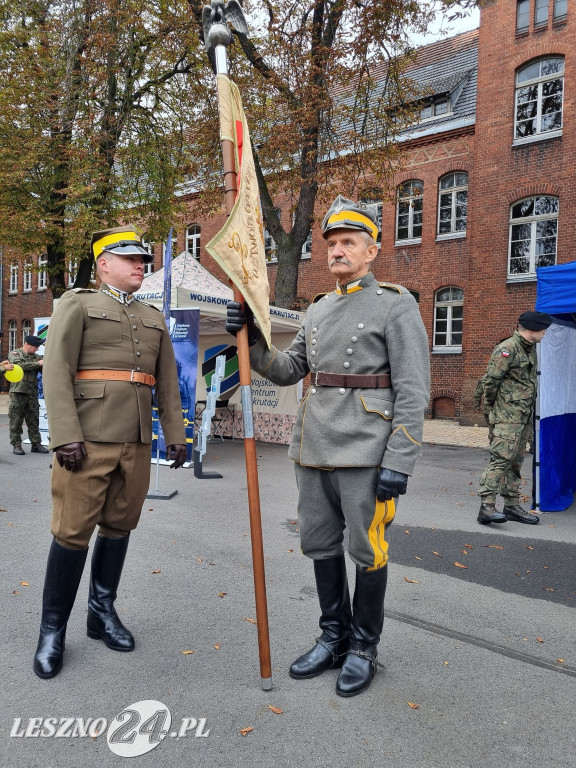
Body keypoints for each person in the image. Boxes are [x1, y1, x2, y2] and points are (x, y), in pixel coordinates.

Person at [226, 196, 430, 697]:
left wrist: (399, 461)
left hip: (366, 448)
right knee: (319, 544)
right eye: (332, 244)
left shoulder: (395, 303)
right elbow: (291, 368)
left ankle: (364, 646)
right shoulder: (317, 308)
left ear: (372, 250)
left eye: (348, 243)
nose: (338, 251)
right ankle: (333, 637)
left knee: (367, 550)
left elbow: (413, 389)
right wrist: (252, 339)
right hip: (313, 446)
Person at [33, 225, 188, 680]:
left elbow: (166, 381)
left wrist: (175, 433)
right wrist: (64, 434)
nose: (142, 265)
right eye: (131, 259)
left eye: (143, 260)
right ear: (104, 264)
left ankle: (101, 613)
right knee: (72, 531)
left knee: (120, 526)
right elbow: (56, 368)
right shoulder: (77, 304)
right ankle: (52, 631)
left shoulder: (153, 316)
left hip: (137, 440)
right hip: (87, 437)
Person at [476, 310, 553, 526]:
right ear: (531, 330)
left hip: (522, 416)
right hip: (506, 417)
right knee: (500, 459)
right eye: (542, 328)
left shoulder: (529, 349)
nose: (545, 332)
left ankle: (511, 506)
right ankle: (487, 507)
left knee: (515, 462)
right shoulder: (507, 348)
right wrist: (493, 410)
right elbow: (490, 383)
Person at [7, 335, 49, 455]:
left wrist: (46, 364)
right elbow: (19, 366)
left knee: (34, 420)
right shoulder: (15, 353)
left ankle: (36, 444)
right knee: (16, 420)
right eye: (35, 346)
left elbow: (44, 370)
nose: (37, 348)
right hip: (18, 392)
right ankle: (16, 445)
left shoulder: (37, 357)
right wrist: (38, 364)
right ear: (27, 344)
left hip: (32, 393)